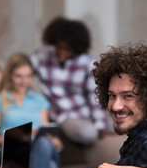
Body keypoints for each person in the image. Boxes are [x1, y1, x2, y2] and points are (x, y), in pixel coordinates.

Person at [30, 17, 110, 146]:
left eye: (67, 50)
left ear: (76, 48)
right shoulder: (40, 56)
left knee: (115, 124)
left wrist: (100, 124)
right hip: (61, 116)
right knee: (88, 134)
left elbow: (95, 95)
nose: (62, 52)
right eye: (59, 47)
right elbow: (22, 71)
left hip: (83, 113)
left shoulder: (87, 63)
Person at [0, 53, 62, 168]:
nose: (24, 81)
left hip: (39, 147)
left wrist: (55, 142)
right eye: (19, 76)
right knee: (51, 165)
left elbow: (48, 134)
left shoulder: (39, 100)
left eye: (28, 76)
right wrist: (18, 137)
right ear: (10, 76)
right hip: (12, 149)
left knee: (44, 143)